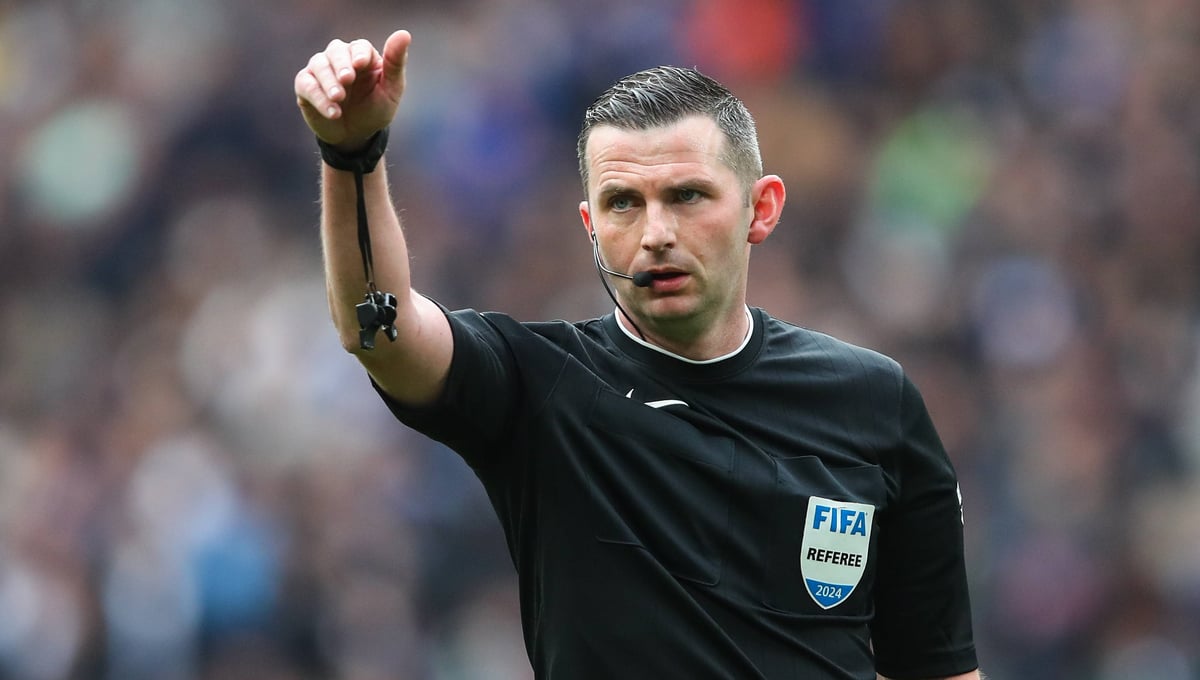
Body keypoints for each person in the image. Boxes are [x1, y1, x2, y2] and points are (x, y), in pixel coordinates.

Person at [294, 29, 983, 680]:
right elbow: (380, 329)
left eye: (687, 196)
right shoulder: (541, 388)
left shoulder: (874, 403)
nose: (655, 234)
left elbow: (937, 669)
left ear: (761, 208)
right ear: (591, 227)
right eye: (623, 203)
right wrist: (352, 156)